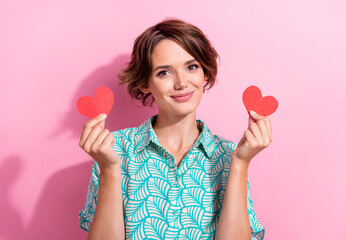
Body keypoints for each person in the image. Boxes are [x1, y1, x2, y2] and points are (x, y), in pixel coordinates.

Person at [78, 17, 271, 240]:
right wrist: (110, 170)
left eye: (191, 67)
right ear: (144, 82)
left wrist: (240, 163)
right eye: (164, 72)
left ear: (205, 73)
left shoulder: (230, 155)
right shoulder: (113, 150)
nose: (181, 83)